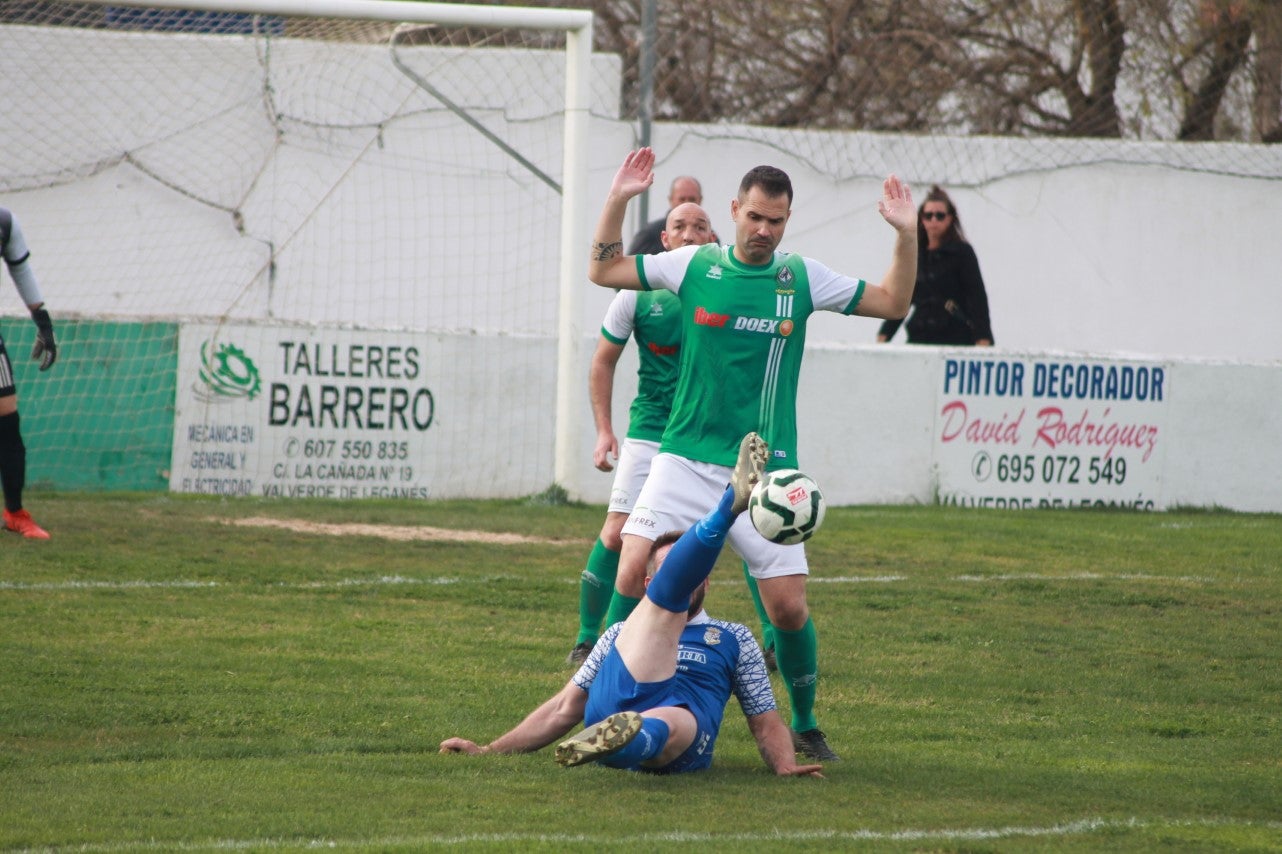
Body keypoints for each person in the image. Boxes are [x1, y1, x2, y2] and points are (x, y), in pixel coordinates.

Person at [585, 147, 918, 762]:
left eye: (778, 220)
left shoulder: (800, 277)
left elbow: (894, 303)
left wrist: (905, 235)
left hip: (766, 473)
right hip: (683, 457)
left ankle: (806, 722)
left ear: (787, 221)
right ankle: (593, 699)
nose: (764, 231)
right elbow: (603, 271)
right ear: (734, 211)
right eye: (756, 217)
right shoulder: (692, 265)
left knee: (788, 610)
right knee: (633, 571)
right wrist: (618, 199)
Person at [442, 433, 823, 777]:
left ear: (704, 579)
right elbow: (564, 708)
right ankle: (728, 506)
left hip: (680, 731)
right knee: (661, 623)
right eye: (672, 569)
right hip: (625, 681)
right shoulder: (618, 635)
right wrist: (488, 750)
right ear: (648, 582)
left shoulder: (733, 638)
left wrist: (785, 764)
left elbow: (765, 720)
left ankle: (623, 742)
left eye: (689, 570)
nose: (686, 577)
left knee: (673, 720)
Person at [565, 201, 717, 666]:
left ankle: (772, 641)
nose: (689, 234)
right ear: (664, 241)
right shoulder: (635, 293)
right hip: (651, 431)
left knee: (749, 535)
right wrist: (604, 431)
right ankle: (592, 639)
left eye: (700, 227)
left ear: (713, 241)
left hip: (705, 435)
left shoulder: (728, 290)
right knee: (616, 534)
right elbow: (602, 361)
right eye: (679, 226)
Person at [0, 208, 57, 539]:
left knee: (7, 422)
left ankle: (15, 513)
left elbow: (20, 270)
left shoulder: (5, 223)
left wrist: (43, 323)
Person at [876, 185, 993, 346]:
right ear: (921, 219)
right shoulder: (916, 253)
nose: (933, 220)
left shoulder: (961, 252)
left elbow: (977, 296)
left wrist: (983, 337)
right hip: (920, 335)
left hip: (954, 336)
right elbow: (904, 298)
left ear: (950, 218)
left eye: (940, 215)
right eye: (928, 215)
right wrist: (885, 334)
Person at [626, 174, 706, 256]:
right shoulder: (651, 234)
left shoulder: (709, 236)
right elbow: (630, 266)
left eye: (692, 199)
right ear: (664, 238)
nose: (686, 203)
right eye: (682, 199)